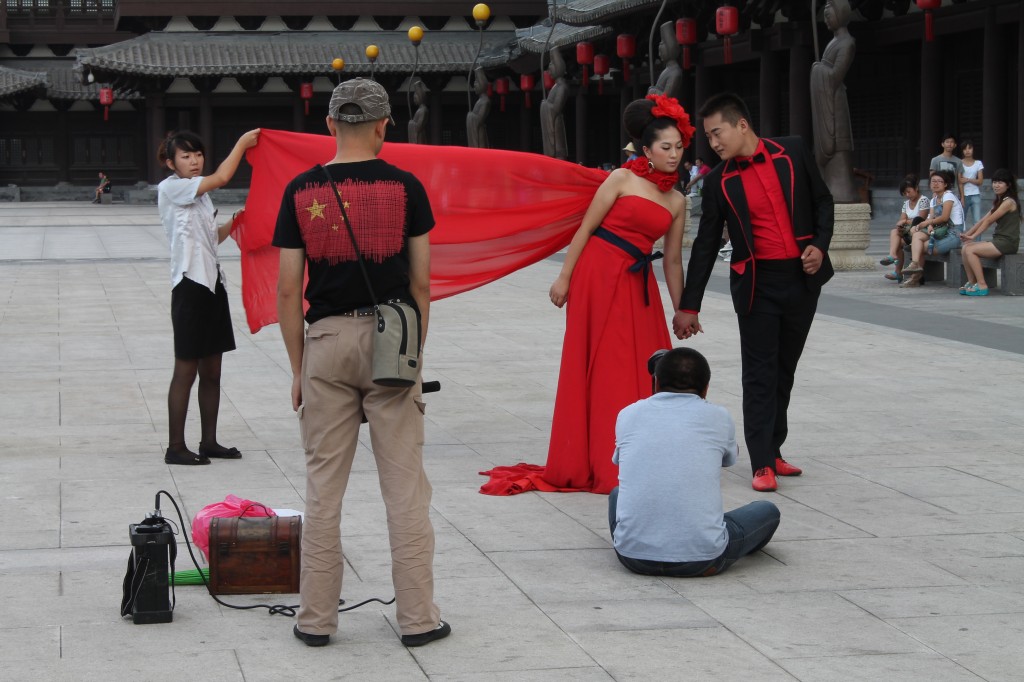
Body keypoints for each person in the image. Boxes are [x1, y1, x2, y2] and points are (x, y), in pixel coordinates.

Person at [273, 78, 448, 648]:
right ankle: (419, 620)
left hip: (324, 341)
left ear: (328, 125)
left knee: (324, 490)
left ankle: (316, 621)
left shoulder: (301, 190)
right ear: (382, 126)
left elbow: (286, 291)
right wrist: (413, 353)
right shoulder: (407, 187)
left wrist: (299, 368)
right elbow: (420, 282)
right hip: (390, 339)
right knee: (404, 490)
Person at [673, 92, 834, 493]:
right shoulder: (717, 182)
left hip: (801, 279)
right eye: (709, 138)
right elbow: (706, 245)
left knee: (785, 370)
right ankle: (761, 462)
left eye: (716, 134)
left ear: (741, 124)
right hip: (757, 286)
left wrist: (819, 244)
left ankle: (774, 448)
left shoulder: (792, 151)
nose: (713, 144)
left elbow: (822, 201)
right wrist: (688, 306)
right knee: (760, 374)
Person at [541, 93, 692, 494]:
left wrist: (683, 310)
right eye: (665, 147)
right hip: (597, 271)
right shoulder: (622, 178)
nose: (674, 154)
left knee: (639, 363)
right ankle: (594, 458)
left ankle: (635, 455)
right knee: (600, 360)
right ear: (647, 149)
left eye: (679, 147)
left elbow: (673, 262)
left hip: (637, 283)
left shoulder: (678, 200)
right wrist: (564, 278)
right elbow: (586, 229)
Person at [609, 348, 781, 577]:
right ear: (706, 388)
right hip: (703, 559)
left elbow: (619, 460)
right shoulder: (719, 417)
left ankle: (654, 539)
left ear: (656, 382)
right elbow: (728, 460)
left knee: (617, 493)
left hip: (633, 558)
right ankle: (704, 535)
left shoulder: (628, 414)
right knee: (767, 511)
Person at [158, 128, 259, 465]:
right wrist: (243, 143)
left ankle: (209, 442)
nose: (194, 161)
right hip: (189, 286)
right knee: (185, 371)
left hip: (213, 285)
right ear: (170, 162)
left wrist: (236, 222)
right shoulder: (172, 187)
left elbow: (210, 238)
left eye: (197, 154)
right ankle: (175, 447)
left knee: (212, 372)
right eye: (186, 156)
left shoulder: (200, 196)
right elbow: (222, 177)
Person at [809, 0, 860, 203]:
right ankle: (829, 187)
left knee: (838, 147)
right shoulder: (833, 42)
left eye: (829, 16)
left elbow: (836, 76)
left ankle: (842, 190)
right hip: (826, 100)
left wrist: (817, 69)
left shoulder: (848, 43)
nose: (826, 20)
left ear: (840, 15)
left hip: (835, 102)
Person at [958, 168, 1020, 296]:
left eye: (1000, 182)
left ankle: (982, 285)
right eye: (994, 182)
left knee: (970, 249)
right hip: (999, 241)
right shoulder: (999, 201)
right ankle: (972, 282)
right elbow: (982, 220)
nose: (996, 185)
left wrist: (973, 236)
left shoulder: (1009, 202)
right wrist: (967, 234)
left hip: (1008, 243)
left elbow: (989, 221)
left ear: (1008, 185)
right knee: (965, 248)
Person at [900, 169, 964, 288]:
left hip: (953, 234)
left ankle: (915, 278)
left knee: (920, 247)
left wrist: (927, 223)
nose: (935, 183)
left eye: (939, 181)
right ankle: (915, 265)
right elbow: (931, 217)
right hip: (940, 231)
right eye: (933, 181)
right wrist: (928, 225)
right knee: (917, 235)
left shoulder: (948, 196)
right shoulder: (934, 199)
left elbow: (944, 217)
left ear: (945, 184)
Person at [879, 174, 929, 283]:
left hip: (918, 232)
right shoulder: (906, 204)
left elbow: (920, 219)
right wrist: (901, 224)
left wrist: (905, 221)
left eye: (909, 191)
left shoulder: (923, 200)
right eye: (905, 193)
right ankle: (893, 260)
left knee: (897, 241)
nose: (907, 195)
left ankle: (897, 269)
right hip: (908, 233)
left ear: (916, 189)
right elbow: (902, 219)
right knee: (895, 234)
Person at [929, 133, 964, 203]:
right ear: (942, 144)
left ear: (955, 145)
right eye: (947, 142)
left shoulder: (959, 161)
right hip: (939, 193)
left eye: (952, 142)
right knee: (939, 213)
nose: (949, 144)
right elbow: (932, 178)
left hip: (954, 193)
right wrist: (934, 192)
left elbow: (960, 181)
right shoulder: (935, 160)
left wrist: (962, 197)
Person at [959, 140, 984, 228]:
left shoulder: (978, 163)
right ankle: (959, 241)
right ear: (962, 151)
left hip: (975, 194)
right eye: (965, 149)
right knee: (961, 220)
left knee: (977, 221)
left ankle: (978, 241)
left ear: (973, 149)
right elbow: (960, 182)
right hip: (964, 195)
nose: (967, 151)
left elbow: (980, 181)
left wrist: (968, 179)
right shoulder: (960, 163)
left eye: (969, 148)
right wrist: (962, 197)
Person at [466, 67, 490, 149]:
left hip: (479, 132)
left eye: (476, 83)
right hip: (477, 130)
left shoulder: (485, 101)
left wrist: (470, 116)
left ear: (481, 84)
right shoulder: (479, 100)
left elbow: (479, 119)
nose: (474, 86)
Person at [408, 79, 429, 145]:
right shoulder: (420, 109)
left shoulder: (423, 110)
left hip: (419, 136)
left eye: (415, 98)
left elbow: (419, 126)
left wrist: (411, 123)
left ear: (420, 97)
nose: (414, 100)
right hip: (419, 135)